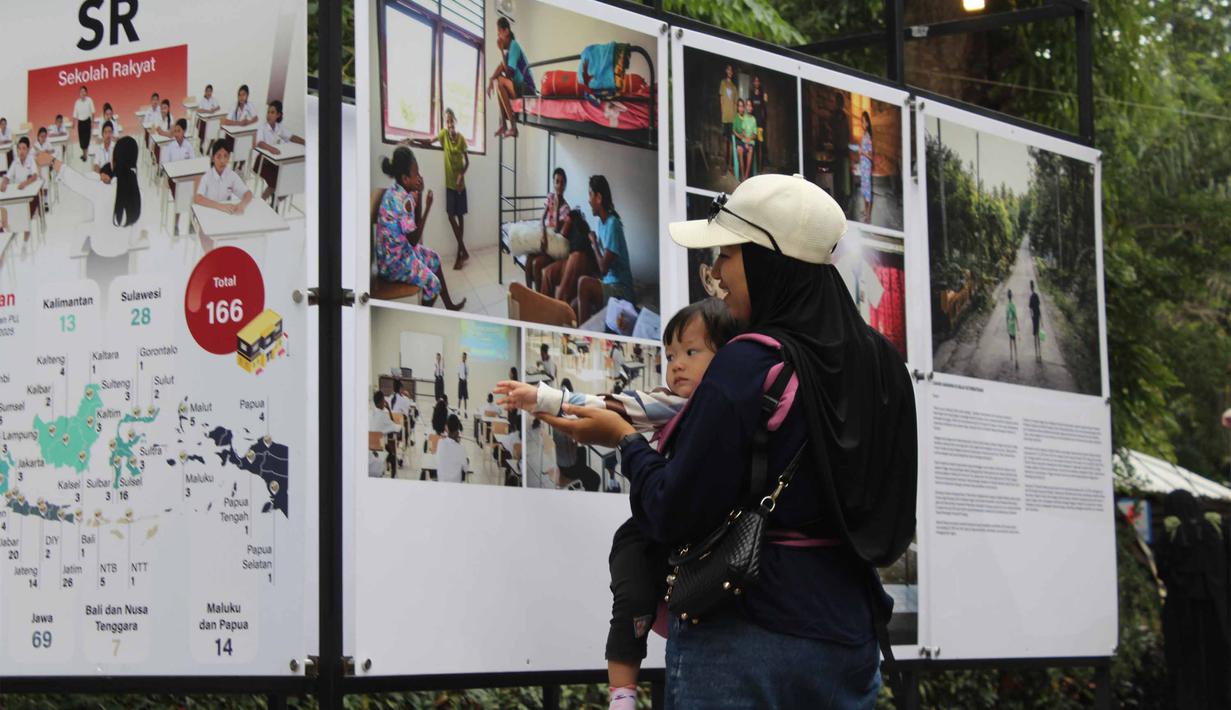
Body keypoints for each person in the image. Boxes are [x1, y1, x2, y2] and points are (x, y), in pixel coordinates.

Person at [541, 174, 916, 708]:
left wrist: (625, 440)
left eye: (728, 255)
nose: (716, 273)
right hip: (849, 639)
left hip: (746, 638)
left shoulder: (751, 362)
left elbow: (672, 508)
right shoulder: (885, 367)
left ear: (768, 259)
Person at [496, 299, 740, 710]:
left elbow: (615, 410)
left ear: (729, 357)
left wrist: (544, 397)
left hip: (688, 540)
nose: (677, 364)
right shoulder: (671, 402)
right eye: (671, 355)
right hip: (651, 530)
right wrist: (544, 398)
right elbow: (614, 406)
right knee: (630, 596)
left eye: (691, 352)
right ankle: (622, 696)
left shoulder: (715, 406)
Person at [1157, 490, 1231, 709]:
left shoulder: (1170, 534)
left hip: (1182, 611)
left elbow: (1163, 571)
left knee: (1186, 663)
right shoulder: (1217, 530)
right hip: (1218, 609)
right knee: (1219, 659)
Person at [375, 146, 466, 310]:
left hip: (391, 258)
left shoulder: (396, 191)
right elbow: (414, 239)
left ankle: (449, 306)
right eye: (416, 174)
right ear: (405, 178)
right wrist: (428, 208)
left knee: (434, 258)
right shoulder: (404, 200)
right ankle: (422, 314)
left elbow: (412, 229)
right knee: (433, 284)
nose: (419, 177)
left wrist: (421, 193)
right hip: (394, 265)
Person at [416, 108, 470, 269]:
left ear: (455, 121)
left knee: (460, 217)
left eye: (451, 120)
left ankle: (460, 255)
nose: (449, 123)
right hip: (449, 185)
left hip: (460, 185)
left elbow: (467, 162)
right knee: (450, 215)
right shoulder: (443, 135)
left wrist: (461, 174)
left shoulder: (461, 139)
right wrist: (413, 138)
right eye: (447, 121)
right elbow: (429, 141)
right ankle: (463, 250)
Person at [577, 176, 634, 324]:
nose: (588, 200)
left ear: (598, 198)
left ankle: (584, 330)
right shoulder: (600, 223)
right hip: (609, 282)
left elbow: (603, 268)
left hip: (621, 289)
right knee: (573, 303)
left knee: (583, 283)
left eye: (590, 194)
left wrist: (594, 243)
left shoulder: (613, 224)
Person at [488, 16, 535, 139]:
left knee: (501, 81)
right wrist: (490, 79)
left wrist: (501, 52)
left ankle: (513, 127)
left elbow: (509, 73)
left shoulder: (514, 46)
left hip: (527, 89)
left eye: (499, 33)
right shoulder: (508, 52)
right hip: (519, 88)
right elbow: (501, 67)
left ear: (506, 31)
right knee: (499, 83)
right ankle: (504, 125)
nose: (498, 38)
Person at [541, 208, 598, 306]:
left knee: (562, 296)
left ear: (570, 217)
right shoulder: (578, 227)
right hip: (572, 257)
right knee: (547, 273)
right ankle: (544, 309)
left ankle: (556, 317)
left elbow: (562, 233)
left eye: (565, 218)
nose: (564, 221)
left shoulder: (576, 222)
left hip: (580, 256)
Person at [254, 100, 305, 201]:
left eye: (272, 112)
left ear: (278, 115)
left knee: (291, 182)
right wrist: (271, 148)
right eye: (268, 112)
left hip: (277, 162)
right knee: (276, 183)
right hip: (263, 162)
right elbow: (259, 142)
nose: (269, 115)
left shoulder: (279, 127)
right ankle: (262, 201)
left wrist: (305, 142)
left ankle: (275, 202)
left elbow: (291, 137)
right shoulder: (262, 127)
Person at [529, 167, 571, 291]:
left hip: (553, 244)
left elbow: (558, 230)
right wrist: (543, 235)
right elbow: (542, 219)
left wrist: (557, 207)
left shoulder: (566, 208)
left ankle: (540, 300)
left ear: (565, 186)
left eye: (562, 182)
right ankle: (529, 295)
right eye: (557, 182)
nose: (559, 185)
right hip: (545, 236)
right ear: (553, 183)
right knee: (528, 261)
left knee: (536, 264)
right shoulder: (550, 197)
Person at [194, 138, 253, 215]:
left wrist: (242, 205)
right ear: (213, 158)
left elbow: (248, 193)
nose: (222, 160)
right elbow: (198, 198)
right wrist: (220, 206)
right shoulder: (206, 175)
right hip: (207, 213)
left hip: (224, 215)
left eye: (226, 156)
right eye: (219, 156)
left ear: (229, 158)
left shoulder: (231, 175)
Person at [0, 137, 38, 242]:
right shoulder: (15, 162)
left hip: (28, 195)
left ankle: (25, 244)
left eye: (24, 148)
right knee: (7, 212)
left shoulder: (31, 160)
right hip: (18, 194)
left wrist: (25, 183)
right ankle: (8, 237)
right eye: (19, 148)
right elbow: (7, 176)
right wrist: (4, 183)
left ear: (28, 149)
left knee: (26, 219)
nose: (21, 151)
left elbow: (35, 176)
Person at [830, 94, 851, 213]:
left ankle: (843, 200)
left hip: (841, 149)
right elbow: (835, 131)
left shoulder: (841, 116)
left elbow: (845, 133)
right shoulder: (836, 116)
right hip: (839, 149)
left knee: (843, 176)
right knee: (839, 176)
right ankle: (840, 200)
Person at [435, 414, 468, 484]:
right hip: (455, 487)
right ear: (458, 429)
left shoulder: (440, 443)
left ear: (446, 428)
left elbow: (438, 461)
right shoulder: (461, 448)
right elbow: (466, 468)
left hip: (441, 484)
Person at [719, 64, 737, 177]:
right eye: (728, 69)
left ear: (732, 72)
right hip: (725, 117)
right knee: (724, 141)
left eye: (731, 70)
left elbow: (735, 103)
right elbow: (721, 99)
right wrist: (722, 113)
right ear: (726, 71)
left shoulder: (734, 87)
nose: (730, 71)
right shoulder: (723, 83)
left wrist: (734, 117)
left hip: (732, 118)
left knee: (731, 142)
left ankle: (730, 165)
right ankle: (724, 165)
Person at [734, 99, 757, 182]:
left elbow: (755, 134)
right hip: (744, 141)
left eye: (750, 105)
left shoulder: (754, 119)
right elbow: (743, 132)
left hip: (750, 142)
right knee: (740, 150)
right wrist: (745, 140)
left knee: (750, 150)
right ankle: (743, 175)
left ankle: (746, 176)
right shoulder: (745, 118)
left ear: (752, 108)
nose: (749, 107)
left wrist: (749, 140)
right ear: (746, 107)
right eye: (747, 105)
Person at [748, 75, 767, 172]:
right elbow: (750, 107)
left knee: (760, 146)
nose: (756, 83)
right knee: (753, 145)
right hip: (752, 124)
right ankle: (753, 168)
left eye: (757, 81)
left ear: (759, 83)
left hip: (760, 124)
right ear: (753, 83)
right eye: (755, 81)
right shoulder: (751, 94)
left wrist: (763, 124)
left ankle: (759, 168)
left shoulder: (762, 94)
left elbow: (764, 110)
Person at [859, 110, 874, 223]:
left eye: (864, 122)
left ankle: (868, 215)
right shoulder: (864, 135)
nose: (862, 124)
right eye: (861, 121)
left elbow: (870, 156)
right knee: (864, 189)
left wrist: (862, 152)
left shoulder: (868, 137)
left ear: (867, 123)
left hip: (866, 167)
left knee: (867, 190)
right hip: (863, 167)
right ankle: (865, 210)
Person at [72, 86, 95, 162]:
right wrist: (74, 123)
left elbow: (93, 112)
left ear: (86, 92)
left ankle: (86, 155)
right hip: (80, 123)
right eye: (81, 91)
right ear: (79, 93)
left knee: (86, 139)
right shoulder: (77, 102)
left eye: (84, 91)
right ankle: (84, 154)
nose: (83, 93)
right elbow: (75, 114)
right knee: (81, 140)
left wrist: (92, 122)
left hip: (87, 122)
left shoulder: (89, 100)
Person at [1029, 280, 1042, 362]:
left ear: (1031, 288)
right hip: (1038, 316)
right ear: (1034, 287)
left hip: (1034, 318)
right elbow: (1039, 305)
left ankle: (1036, 354)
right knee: (1038, 336)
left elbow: (1030, 308)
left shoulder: (1031, 297)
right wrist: (1042, 320)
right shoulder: (1037, 296)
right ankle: (1040, 354)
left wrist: (1031, 316)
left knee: (1035, 336)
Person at [1006, 289, 1019, 369]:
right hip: (1013, 325)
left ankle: (1011, 355)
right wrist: (1018, 326)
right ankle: (1016, 357)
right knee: (1014, 342)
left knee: (1010, 340)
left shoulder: (1007, 306)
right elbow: (1015, 316)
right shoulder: (1013, 305)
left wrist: (1006, 325)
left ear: (1008, 297)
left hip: (1009, 325)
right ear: (1012, 296)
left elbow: (1006, 317)